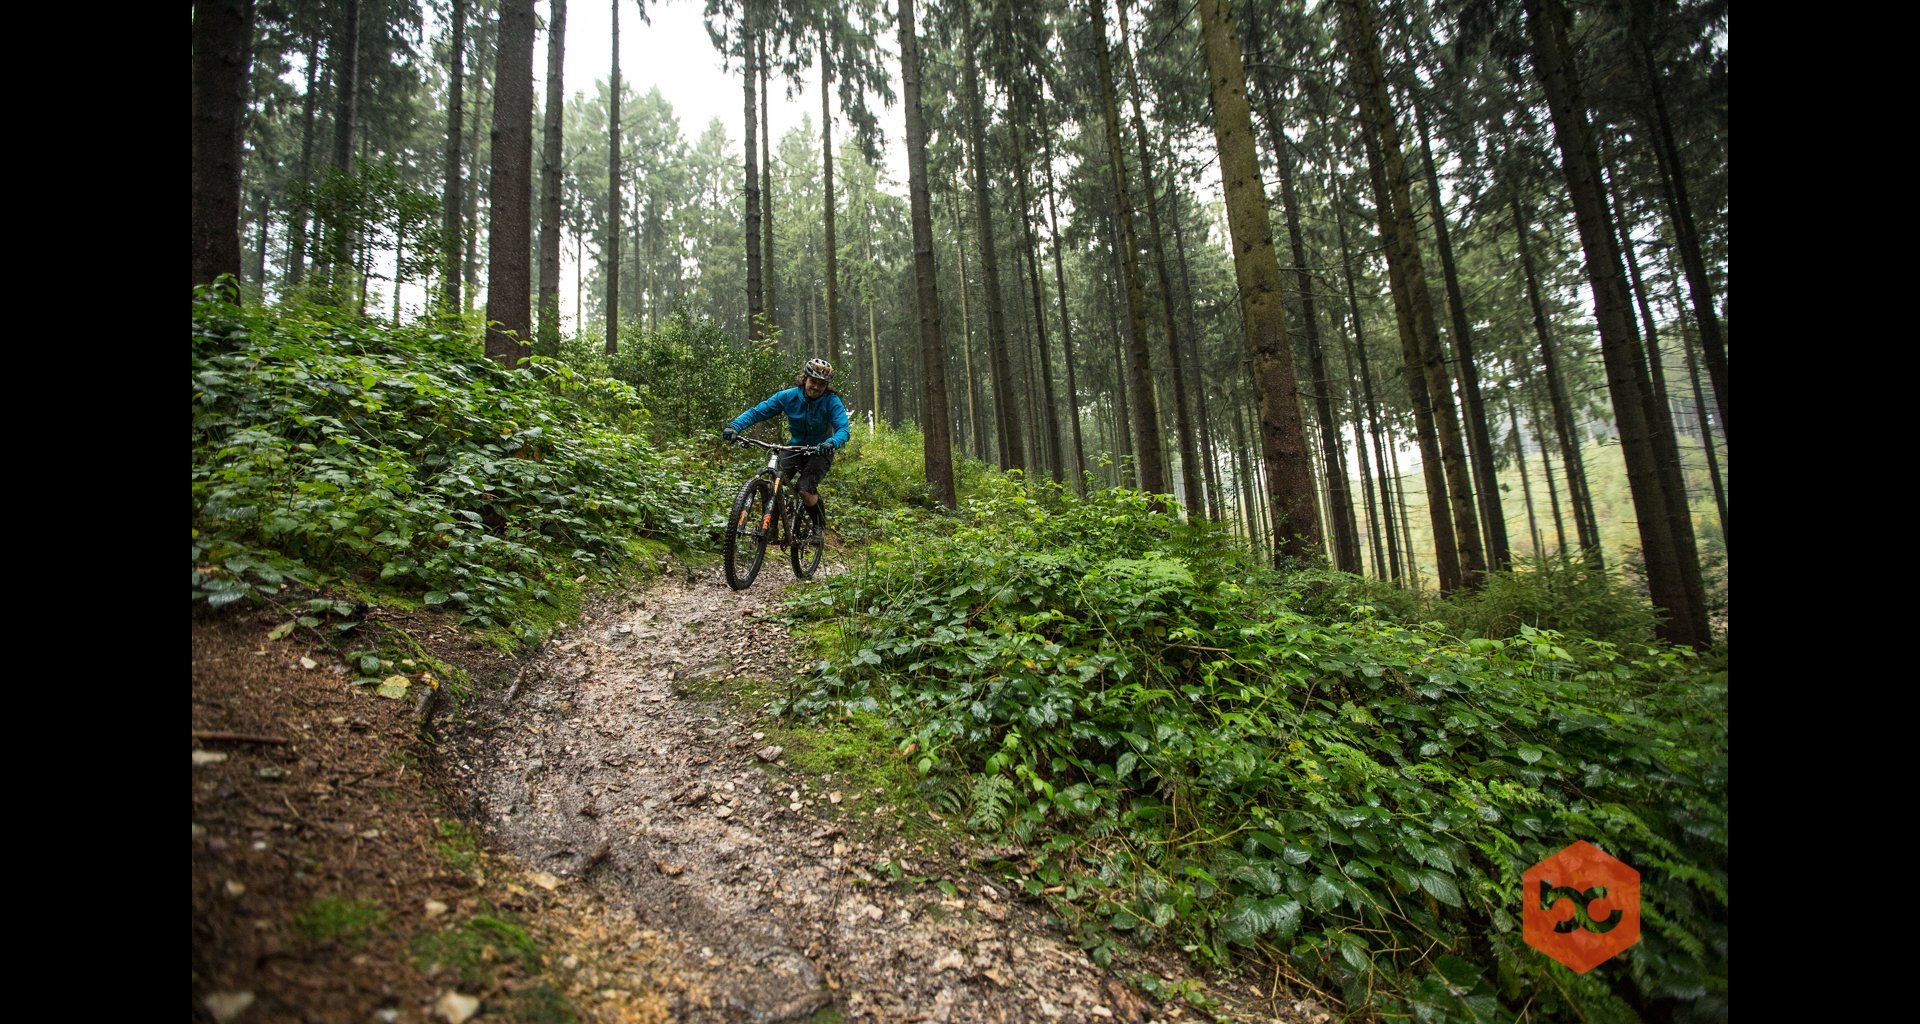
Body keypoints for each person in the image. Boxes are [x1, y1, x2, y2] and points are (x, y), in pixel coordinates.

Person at [722, 358, 850, 535]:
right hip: (794, 448)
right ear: (805, 379)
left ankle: (818, 526)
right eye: (813, 381)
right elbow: (758, 412)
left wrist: (832, 443)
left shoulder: (831, 401)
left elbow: (843, 429)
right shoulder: (788, 396)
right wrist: (734, 426)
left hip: (820, 450)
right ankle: (770, 529)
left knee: (804, 490)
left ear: (826, 386)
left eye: (822, 384)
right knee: (772, 484)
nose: (816, 387)